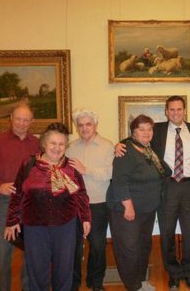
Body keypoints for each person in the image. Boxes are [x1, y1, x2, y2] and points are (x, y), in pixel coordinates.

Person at [116, 96, 190, 290]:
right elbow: (136, 138)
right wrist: (118, 144)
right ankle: (173, 272)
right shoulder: (158, 130)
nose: (176, 113)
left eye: (179, 109)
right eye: (172, 110)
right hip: (167, 187)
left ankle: (188, 271)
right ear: (166, 111)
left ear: (185, 110)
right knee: (167, 233)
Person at [4, 122, 92, 291]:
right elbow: (17, 194)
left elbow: (81, 193)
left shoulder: (71, 167)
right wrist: (12, 219)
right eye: (53, 143)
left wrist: (86, 218)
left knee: (64, 270)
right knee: (37, 270)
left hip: (65, 226)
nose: (57, 148)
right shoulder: (28, 165)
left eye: (61, 144)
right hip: (35, 227)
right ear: (44, 144)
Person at [0, 104, 40, 291]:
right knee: (2, 256)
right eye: (18, 118)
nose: (21, 123)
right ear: (10, 117)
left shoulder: (37, 144)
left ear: (32, 122)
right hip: (5, 204)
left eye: (26, 120)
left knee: (32, 255)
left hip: (31, 206)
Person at [107, 114, 164, 291]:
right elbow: (120, 181)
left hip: (146, 210)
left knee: (143, 247)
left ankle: (140, 280)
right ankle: (133, 286)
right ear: (133, 132)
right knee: (129, 249)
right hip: (127, 210)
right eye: (141, 129)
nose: (146, 132)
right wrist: (128, 207)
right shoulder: (125, 150)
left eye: (149, 128)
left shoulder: (148, 149)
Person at [67, 108, 114, 291]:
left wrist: (86, 170)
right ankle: (74, 283)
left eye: (88, 124)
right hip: (74, 205)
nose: (84, 128)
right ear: (77, 127)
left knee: (97, 245)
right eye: (80, 125)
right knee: (74, 246)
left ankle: (96, 282)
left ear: (95, 125)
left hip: (98, 203)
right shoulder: (71, 147)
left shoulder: (107, 146)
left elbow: (110, 172)